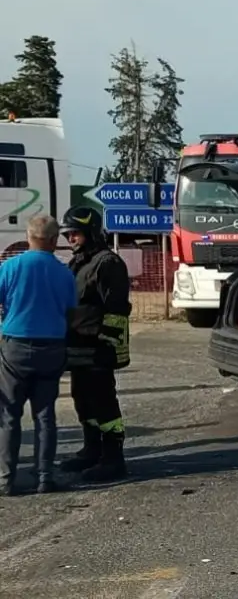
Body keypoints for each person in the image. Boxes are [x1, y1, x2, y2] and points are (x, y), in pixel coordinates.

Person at [0, 214, 78, 495]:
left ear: (28, 235)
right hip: (52, 346)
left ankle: (6, 480)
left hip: (15, 346)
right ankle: (45, 476)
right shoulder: (64, 272)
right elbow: (70, 308)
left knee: (9, 414)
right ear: (55, 240)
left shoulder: (9, 267)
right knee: (45, 414)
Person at [59, 206, 132, 483]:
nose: (71, 239)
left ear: (90, 232)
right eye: (68, 234)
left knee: (103, 403)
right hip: (77, 346)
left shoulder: (108, 263)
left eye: (75, 233)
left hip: (97, 347)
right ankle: (92, 450)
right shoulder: (78, 262)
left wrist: (107, 344)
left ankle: (113, 459)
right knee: (82, 400)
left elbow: (116, 308)